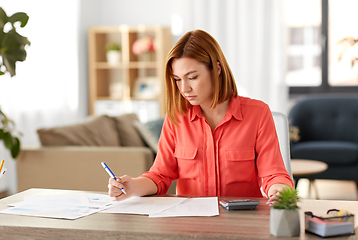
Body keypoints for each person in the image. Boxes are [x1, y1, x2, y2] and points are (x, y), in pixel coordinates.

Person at [108, 29, 293, 206]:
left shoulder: (258, 114)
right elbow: (160, 175)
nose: (184, 89)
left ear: (217, 69)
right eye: (178, 79)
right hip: (190, 221)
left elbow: (273, 174)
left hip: (242, 220)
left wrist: (278, 190)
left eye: (193, 77)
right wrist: (132, 186)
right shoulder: (177, 118)